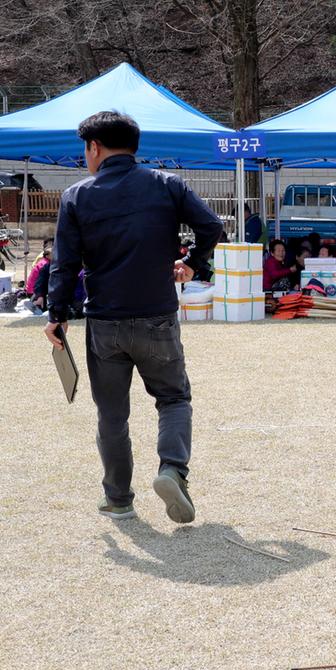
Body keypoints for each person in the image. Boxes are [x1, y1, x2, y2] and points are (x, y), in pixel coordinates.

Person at [44, 111, 222, 524]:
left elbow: (64, 263)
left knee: (112, 414)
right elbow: (210, 225)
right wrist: (194, 262)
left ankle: (119, 499)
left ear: (94, 147)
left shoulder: (77, 196)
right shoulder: (167, 184)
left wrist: (56, 313)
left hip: (104, 321)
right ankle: (172, 469)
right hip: (157, 313)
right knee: (173, 398)